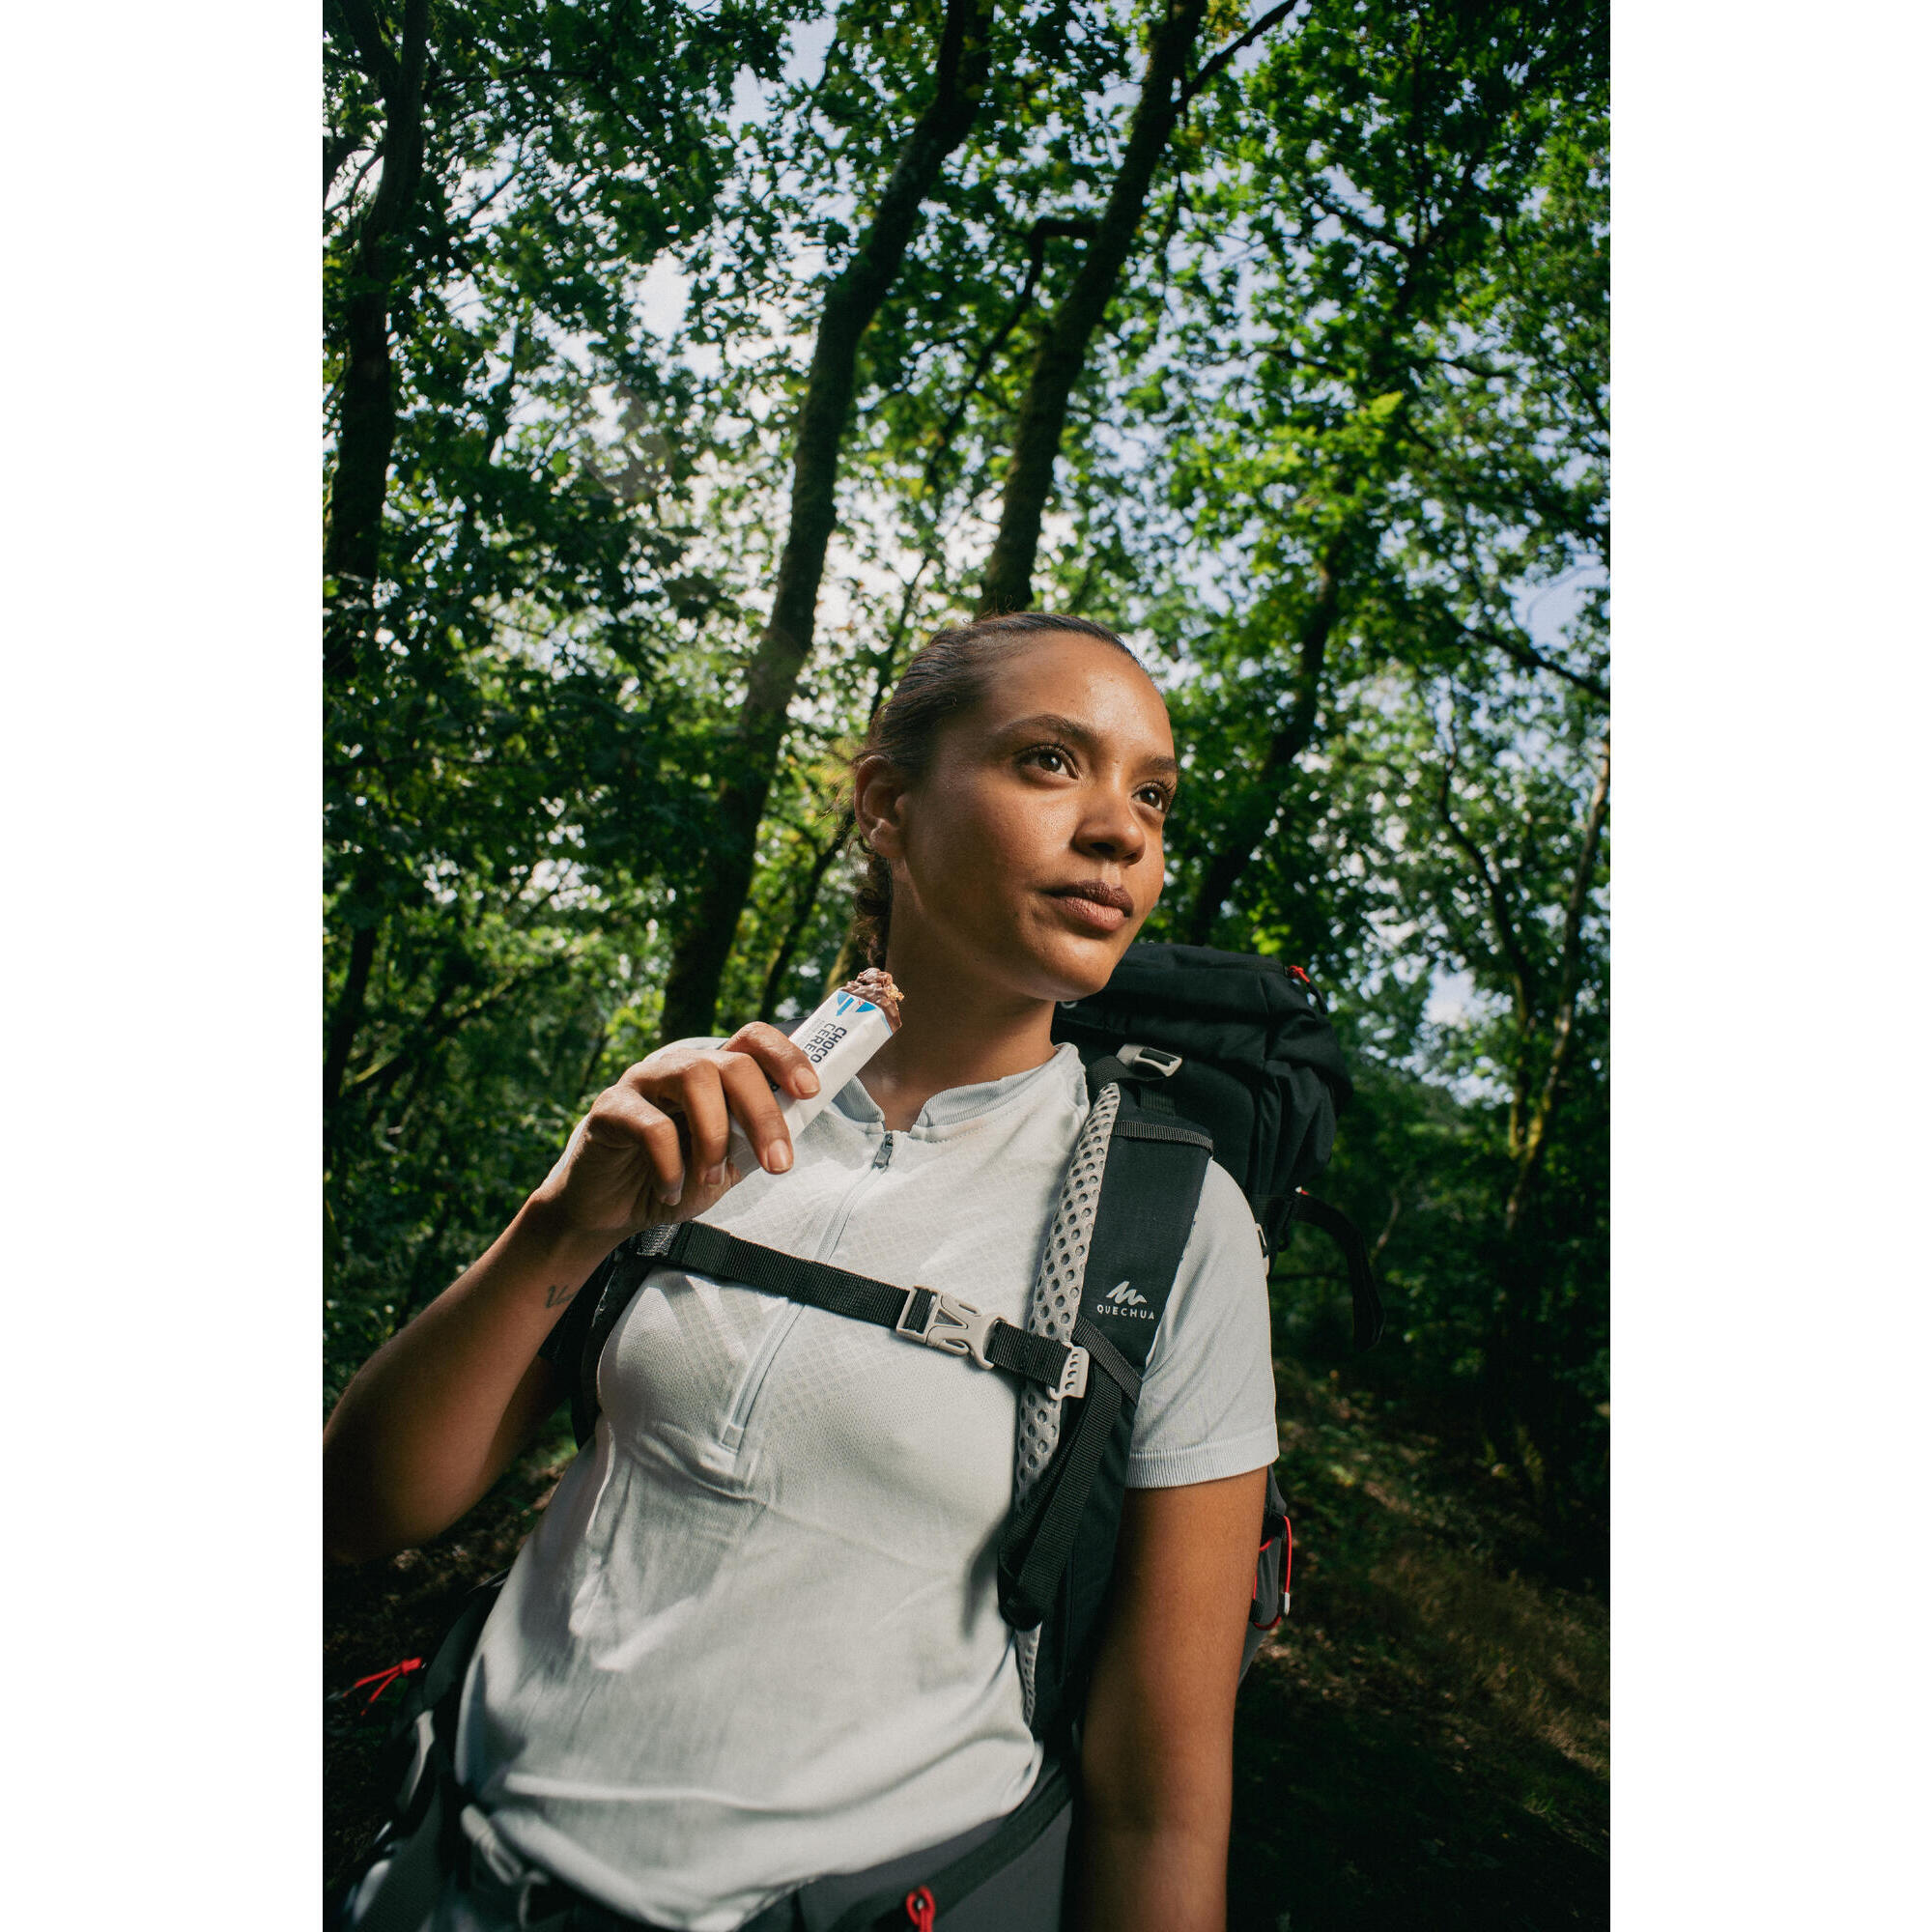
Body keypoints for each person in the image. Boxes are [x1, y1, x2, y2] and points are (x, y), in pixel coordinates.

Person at [324, 612, 1279, 1931]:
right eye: (1052, 763)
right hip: (440, 1886)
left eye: (1153, 794)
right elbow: (361, 1507)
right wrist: (561, 1225)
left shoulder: (1173, 1222)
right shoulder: (700, 1111)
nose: (1122, 829)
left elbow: (1156, 1795)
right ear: (888, 806)